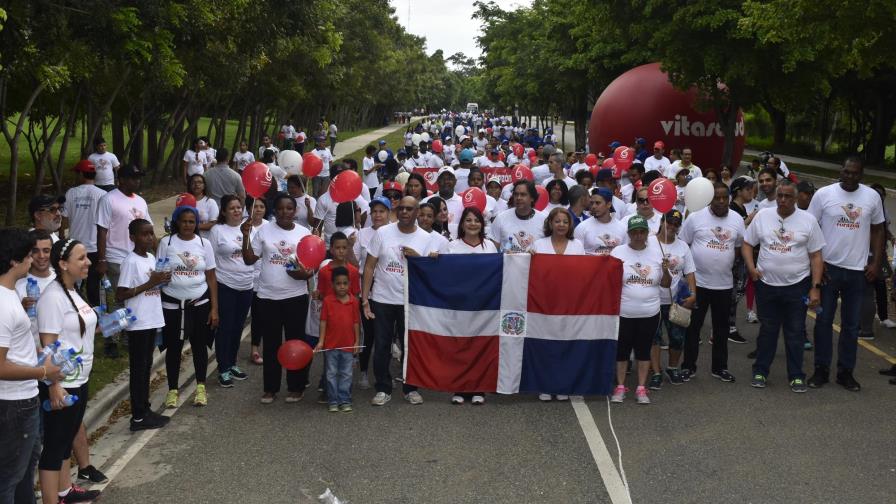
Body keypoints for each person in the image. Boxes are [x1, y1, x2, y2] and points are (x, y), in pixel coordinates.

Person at [806, 156, 885, 392]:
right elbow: (810, 227)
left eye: (855, 173)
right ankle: (821, 370)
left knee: (851, 326)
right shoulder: (824, 195)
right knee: (823, 321)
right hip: (828, 269)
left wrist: (876, 262)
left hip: (857, 272)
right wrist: (817, 263)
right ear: (841, 171)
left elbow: (878, 230)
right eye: (846, 172)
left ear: (862, 175)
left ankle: (845, 372)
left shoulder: (871, 197)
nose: (850, 176)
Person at [0, 229, 65, 504]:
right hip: (13, 403)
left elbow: (16, 347)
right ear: (14, 261)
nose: (34, 260)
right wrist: (43, 372)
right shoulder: (3, 303)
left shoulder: (11, 294)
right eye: (28, 255)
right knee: (9, 480)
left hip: (23, 399)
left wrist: (41, 354)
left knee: (25, 474)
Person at [742, 180, 825, 392]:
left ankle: (796, 375)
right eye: (780, 195)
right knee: (767, 331)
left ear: (796, 199)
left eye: (788, 196)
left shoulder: (808, 221)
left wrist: (815, 287)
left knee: (795, 332)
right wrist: (751, 268)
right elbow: (747, 243)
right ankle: (760, 371)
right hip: (766, 286)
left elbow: (816, 256)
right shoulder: (763, 216)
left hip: (797, 287)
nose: (782, 200)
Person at [37, 239, 101, 504]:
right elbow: (47, 345)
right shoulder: (52, 297)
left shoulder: (72, 290)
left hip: (79, 378)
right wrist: (53, 385)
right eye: (82, 258)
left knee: (65, 441)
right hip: (62, 383)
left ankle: (64, 491)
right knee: (54, 445)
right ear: (63, 264)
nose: (88, 262)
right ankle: (52, 500)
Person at [361, 196, 437, 406]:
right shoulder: (383, 232)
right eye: (401, 208)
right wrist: (365, 298)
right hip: (382, 299)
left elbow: (432, 271)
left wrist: (418, 259)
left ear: (417, 213)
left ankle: (410, 387)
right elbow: (369, 266)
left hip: (410, 301)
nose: (404, 212)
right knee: (383, 344)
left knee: (410, 345)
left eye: (409, 209)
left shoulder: (426, 238)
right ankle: (383, 388)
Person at [241, 195, 314, 404]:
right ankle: (270, 388)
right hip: (268, 297)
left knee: (295, 343)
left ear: (295, 211)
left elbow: (310, 268)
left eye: (289, 208)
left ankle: (296, 386)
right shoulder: (264, 231)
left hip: (295, 297)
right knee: (271, 344)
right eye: (280, 208)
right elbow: (249, 259)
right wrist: (245, 235)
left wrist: (304, 274)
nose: (285, 212)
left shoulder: (304, 233)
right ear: (275, 210)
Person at [678, 183, 745, 383]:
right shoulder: (695, 218)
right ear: (710, 198)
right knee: (693, 328)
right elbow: (683, 245)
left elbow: (739, 247)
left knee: (721, 329)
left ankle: (720, 368)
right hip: (698, 284)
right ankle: (688, 367)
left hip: (723, 285)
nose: (722, 202)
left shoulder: (737, 220)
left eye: (725, 198)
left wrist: (729, 266)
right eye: (717, 198)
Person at [157, 205, 219, 408]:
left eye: (192, 221)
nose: (188, 225)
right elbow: (158, 274)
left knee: (200, 346)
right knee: (173, 348)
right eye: (184, 221)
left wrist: (214, 308)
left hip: (199, 304)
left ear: (197, 224)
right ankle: (173, 390)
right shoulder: (166, 243)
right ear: (176, 222)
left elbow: (211, 277)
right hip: (172, 305)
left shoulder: (204, 243)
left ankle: (201, 387)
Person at [116, 219, 171, 430]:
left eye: (151, 234)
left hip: (152, 319)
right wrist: (151, 283)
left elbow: (155, 284)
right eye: (144, 234)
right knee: (138, 369)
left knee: (146, 366)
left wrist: (164, 280)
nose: (149, 238)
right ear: (132, 237)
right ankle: (138, 416)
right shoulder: (130, 262)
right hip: (138, 322)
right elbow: (121, 294)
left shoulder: (150, 257)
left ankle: (145, 409)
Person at [610, 216, 672, 405]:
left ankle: (641, 388)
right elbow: (608, 280)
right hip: (624, 312)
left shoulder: (656, 253)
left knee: (644, 350)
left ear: (647, 233)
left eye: (642, 232)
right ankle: (620, 387)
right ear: (628, 234)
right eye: (634, 232)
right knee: (622, 350)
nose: (638, 235)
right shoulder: (618, 252)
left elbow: (665, 284)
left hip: (650, 312)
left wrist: (666, 270)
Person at [96, 165, 152, 357]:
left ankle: (129, 336)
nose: (137, 181)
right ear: (121, 180)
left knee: (133, 297)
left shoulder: (141, 201)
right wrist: (102, 258)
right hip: (115, 257)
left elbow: (148, 228)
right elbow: (102, 230)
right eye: (133, 178)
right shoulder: (108, 199)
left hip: (136, 258)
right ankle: (111, 340)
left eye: (139, 178)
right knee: (118, 299)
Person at [208, 196, 255, 388]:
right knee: (225, 328)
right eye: (232, 208)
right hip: (226, 284)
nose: (236, 211)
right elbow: (210, 261)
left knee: (238, 327)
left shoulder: (250, 228)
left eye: (238, 207)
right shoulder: (217, 231)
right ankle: (223, 368)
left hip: (247, 285)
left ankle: (232, 363)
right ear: (224, 212)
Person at [648, 210, 697, 389]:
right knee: (655, 338)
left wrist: (693, 294)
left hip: (676, 301)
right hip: (652, 299)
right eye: (669, 222)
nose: (672, 226)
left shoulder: (683, 246)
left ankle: (672, 368)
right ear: (662, 221)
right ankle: (656, 371)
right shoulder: (648, 242)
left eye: (676, 224)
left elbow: (690, 272)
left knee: (677, 338)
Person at [349, 197, 391, 389]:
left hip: (387, 292)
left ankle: (385, 373)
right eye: (374, 211)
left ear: (389, 213)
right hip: (366, 291)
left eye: (382, 211)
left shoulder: (394, 233)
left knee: (385, 335)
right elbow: (355, 263)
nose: (377, 215)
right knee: (369, 335)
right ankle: (364, 371)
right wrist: (350, 247)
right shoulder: (361, 235)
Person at [314, 266, 360, 413]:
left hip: (348, 346)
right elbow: (323, 322)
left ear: (349, 284)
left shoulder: (353, 302)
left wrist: (357, 341)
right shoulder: (327, 301)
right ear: (333, 285)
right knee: (331, 373)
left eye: (345, 283)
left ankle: (344, 400)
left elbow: (356, 323)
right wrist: (321, 341)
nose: (342, 286)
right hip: (331, 346)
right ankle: (333, 400)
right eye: (338, 283)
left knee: (347, 374)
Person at [64, 161, 107, 306]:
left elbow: (64, 217)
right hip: (95, 247)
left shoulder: (71, 193)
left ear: (82, 174)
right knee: (93, 284)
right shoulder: (103, 195)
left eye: (77, 173)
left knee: (73, 283)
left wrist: (62, 238)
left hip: (75, 246)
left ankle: (76, 309)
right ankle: (96, 314)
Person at [488, 180, 547, 253]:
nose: (518, 198)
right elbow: (492, 250)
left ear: (532, 198)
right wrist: (505, 252)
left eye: (523, 194)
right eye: (516, 194)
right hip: (509, 264)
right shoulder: (501, 218)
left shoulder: (544, 220)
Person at [245, 198, 268, 366]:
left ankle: (255, 349)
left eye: (261, 206)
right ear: (248, 209)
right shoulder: (243, 227)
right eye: (255, 206)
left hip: (263, 279)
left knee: (259, 316)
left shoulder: (270, 227)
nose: (258, 210)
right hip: (244, 278)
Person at [574, 188, 627, 256]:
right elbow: (576, 255)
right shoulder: (581, 227)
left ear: (609, 204)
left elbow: (626, 254)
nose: (593, 206)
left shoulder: (623, 228)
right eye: (592, 203)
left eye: (598, 203)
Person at [422, 167, 463, 238]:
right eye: (443, 179)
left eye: (449, 179)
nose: (446, 181)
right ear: (437, 181)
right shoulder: (425, 201)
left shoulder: (463, 203)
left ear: (455, 181)